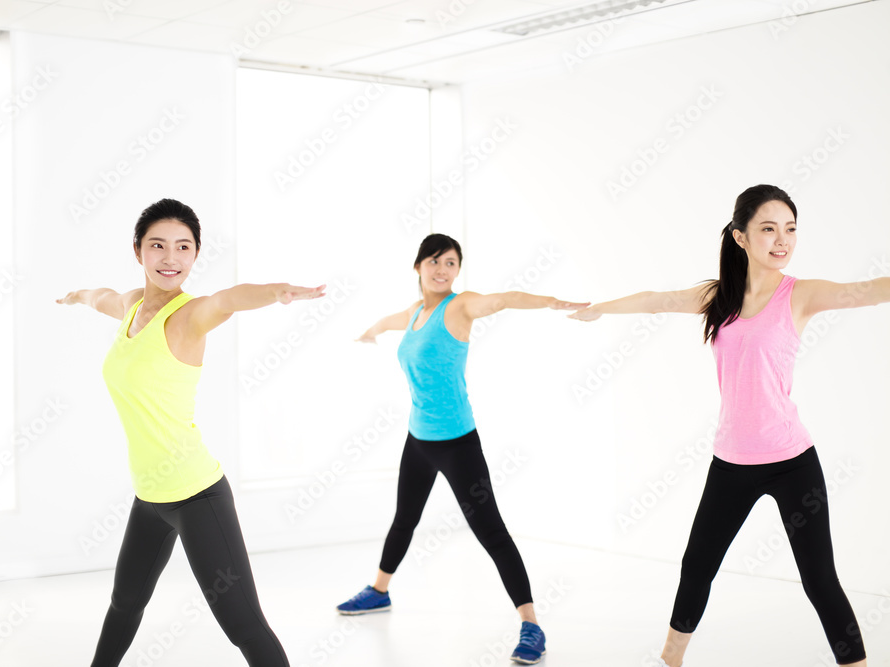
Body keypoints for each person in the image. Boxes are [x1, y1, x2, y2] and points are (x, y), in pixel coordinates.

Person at [570, 184, 887, 666]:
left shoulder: (799, 295)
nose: (782, 240)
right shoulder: (718, 297)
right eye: (768, 229)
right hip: (732, 464)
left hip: (792, 461)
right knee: (696, 568)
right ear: (741, 237)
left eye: (790, 229)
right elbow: (658, 299)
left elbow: (866, 291)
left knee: (820, 581)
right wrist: (600, 309)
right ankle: (669, 659)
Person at [57, 198, 323, 667]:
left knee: (244, 626)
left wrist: (277, 291)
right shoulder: (130, 306)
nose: (170, 258)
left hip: (198, 495)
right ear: (138, 250)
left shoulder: (189, 316)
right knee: (125, 604)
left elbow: (228, 300)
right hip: (150, 498)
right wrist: (76, 295)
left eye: (184, 247)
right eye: (158, 245)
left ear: (196, 255)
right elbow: (99, 295)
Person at [336, 233, 588, 665]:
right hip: (418, 440)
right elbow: (387, 322)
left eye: (450, 262)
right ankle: (378, 591)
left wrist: (549, 300)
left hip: (458, 444)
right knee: (404, 519)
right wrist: (366, 334)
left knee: (491, 532)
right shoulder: (415, 312)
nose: (442, 269)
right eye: (434, 261)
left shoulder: (461, 305)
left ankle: (531, 625)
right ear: (417, 266)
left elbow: (504, 299)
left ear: (458, 270)